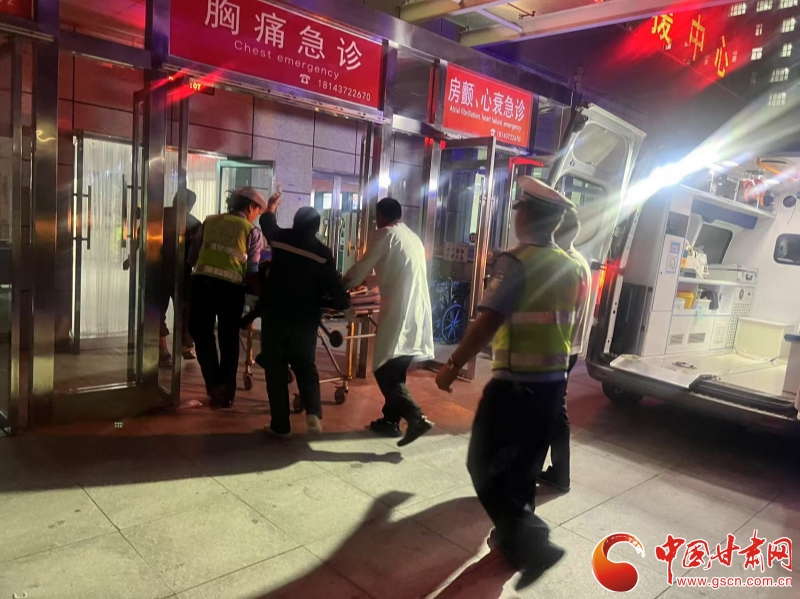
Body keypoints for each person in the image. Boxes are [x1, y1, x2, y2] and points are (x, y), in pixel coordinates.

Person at [435, 176, 583, 580]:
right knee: (525, 469)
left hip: (515, 383)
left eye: (519, 207)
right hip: (554, 384)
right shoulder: (574, 266)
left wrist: (452, 366)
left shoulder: (516, 262)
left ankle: (533, 541)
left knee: (481, 464)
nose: (515, 213)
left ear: (527, 215)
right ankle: (513, 540)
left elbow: (487, 322)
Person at [343, 197, 435, 447]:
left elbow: (361, 269)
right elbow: (393, 269)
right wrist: (368, 282)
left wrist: (342, 285)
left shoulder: (383, 235)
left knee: (384, 368)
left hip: (399, 310)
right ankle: (391, 420)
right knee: (397, 368)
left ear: (381, 216)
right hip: (418, 310)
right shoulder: (412, 237)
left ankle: (416, 417)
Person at [259, 202, 350, 437]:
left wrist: (271, 207)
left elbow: (266, 223)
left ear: (295, 222)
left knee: (276, 371)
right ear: (316, 228)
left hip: (275, 316)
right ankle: (313, 413)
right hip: (305, 319)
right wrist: (344, 301)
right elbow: (334, 288)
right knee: (305, 366)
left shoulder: (280, 238)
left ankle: (280, 426)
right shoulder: (322, 253)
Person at [188, 187, 266, 409]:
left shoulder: (210, 221)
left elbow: (192, 257)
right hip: (231, 290)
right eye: (257, 212)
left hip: (202, 284)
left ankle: (214, 385)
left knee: (201, 334)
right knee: (228, 340)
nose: (256, 217)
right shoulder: (251, 231)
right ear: (250, 207)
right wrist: (261, 294)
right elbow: (252, 271)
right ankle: (226, 392)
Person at [538, 207, 592, 493]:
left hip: (556, 349)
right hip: (569, 348)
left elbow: (554, 315)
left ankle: (553, 473)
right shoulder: (579, 261)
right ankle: (559, 473)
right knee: (553, 409)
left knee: (548, 412)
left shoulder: (565, 265)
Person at [159, 189, 202, 367]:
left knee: (158, 311)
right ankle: (184, 344)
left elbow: (141, 237)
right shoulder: (195, 223)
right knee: (184, 310)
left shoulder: (159, 215)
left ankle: (164, 350)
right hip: (182, 273)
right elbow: (198, 252)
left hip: (159, 271)